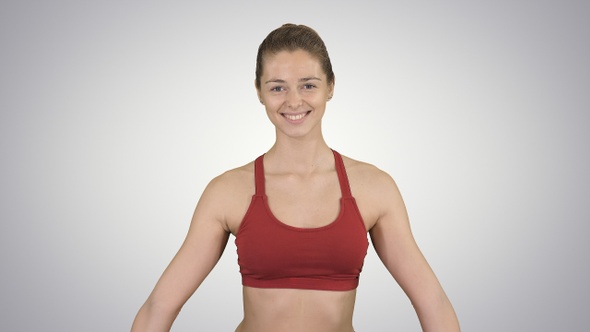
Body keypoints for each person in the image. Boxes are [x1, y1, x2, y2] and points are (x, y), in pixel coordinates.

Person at [131, 23, 460, 332]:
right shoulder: (228, 191)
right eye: (277, 87)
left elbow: (433, 302)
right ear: (259, 91)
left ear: (330, 87)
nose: (293, 101)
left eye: (308, 85)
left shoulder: (374, 188)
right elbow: (159, 306)